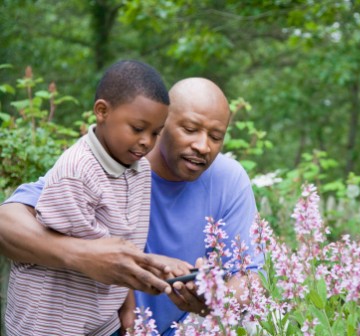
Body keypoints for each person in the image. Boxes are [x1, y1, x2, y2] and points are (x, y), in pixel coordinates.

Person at [0, 77, 263, 335]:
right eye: (190, 129)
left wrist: (219, 297)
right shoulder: (117, 162)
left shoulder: (229, 178)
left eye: (216, 136)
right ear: (163, 124)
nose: (203, 146)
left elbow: (252, 276)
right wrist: (86, 255)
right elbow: (6, 222)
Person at [5, 60, 193, 335]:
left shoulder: (140, 170)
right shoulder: (77, 172)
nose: (147, 142)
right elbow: (98, 257)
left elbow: (124, 245)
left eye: (155, 132)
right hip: (51, 323)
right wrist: (161, 267)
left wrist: (128, 308)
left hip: (98, 322)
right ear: (102, 112)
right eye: (137, 128)